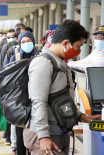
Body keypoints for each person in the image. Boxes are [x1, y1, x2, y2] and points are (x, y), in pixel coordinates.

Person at [24, 20, 101, 155]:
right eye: (78, 46)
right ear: (66, 43)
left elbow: (62, 99)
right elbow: (38, 102)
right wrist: (43, 137)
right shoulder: (43, 63)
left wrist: (80, 117)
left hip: (58, 131)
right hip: (44, 135)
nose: (78, 52)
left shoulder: (61, 64)